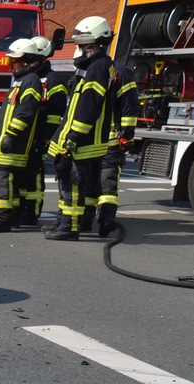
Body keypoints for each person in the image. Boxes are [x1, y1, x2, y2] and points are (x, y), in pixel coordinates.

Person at [45, 16, 118, 241]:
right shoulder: (95, 67)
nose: (80, 51)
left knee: (73, 184)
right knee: (72, 182)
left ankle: (69, 227)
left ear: (92, 44)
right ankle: (65, 221)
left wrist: (73, 137)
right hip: (87, 140)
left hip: (83, 141)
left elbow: (88, 107)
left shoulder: (98, 67)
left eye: (83, 47)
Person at [0, 39, 45, 233]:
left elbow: (25, 113)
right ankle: (13, 217)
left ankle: (2, 219)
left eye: (14, 61)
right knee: (12, 183)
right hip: (7, 143)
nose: (11, 64)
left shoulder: (30, 81)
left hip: (14, 145)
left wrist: (10, 135)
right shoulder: (22, 80)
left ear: (25, 60)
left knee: (4, 182)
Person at [20, 35, 70, 227]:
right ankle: (21, 209)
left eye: (32, 60)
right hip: (25, 136)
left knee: (34, 176)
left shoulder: (54, 82)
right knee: (22, 176)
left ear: (42, 59)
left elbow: (55, 116)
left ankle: (32, 213)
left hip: (39, 137)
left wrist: (44, 140)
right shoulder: (26, 78)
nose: (29, 64)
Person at [91, 61, 140, 237]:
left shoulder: (120, 73)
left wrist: (126, 134)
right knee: (92, 181)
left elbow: (130, 104)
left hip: (110, 139)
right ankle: (88, 219)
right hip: (93, 139)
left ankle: (106, 219)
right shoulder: (91, 71)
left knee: (107, 181)